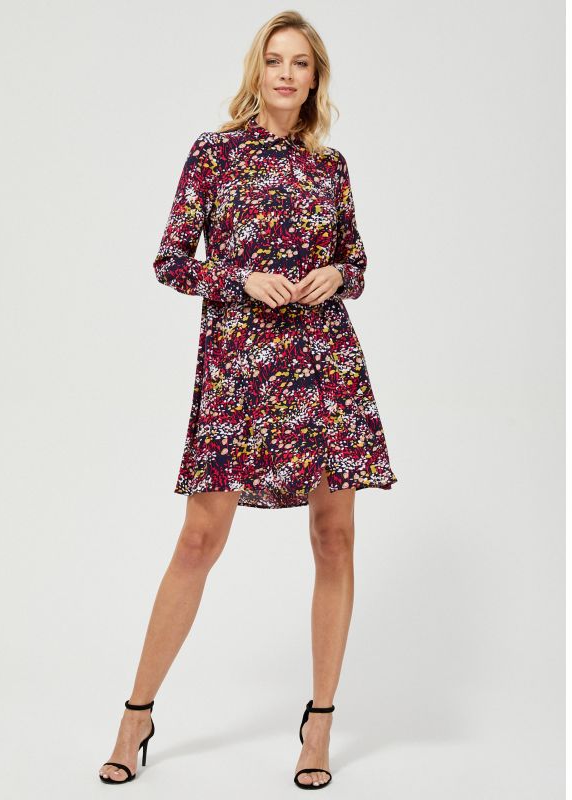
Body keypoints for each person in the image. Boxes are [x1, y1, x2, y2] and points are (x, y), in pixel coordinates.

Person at [98, 10, 398, 789]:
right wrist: (240, 278)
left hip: (324, 362)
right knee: (200, 538)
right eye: (275, 60)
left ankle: (319, 723)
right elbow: (170, 260)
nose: (286, 74)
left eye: (301, 62)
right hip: (238, 366)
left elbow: (357, 262)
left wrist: (338, 275)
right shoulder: (215, 153)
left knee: (334, 538)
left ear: (315, 77)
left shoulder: (330, 165)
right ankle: (136, 716)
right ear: (256, 71)